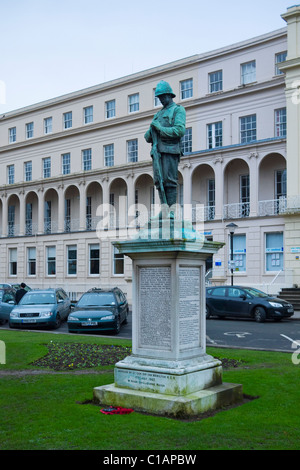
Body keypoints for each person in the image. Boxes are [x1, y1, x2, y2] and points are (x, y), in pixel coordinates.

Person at [144, 80, 186, 211]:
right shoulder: (158, 114)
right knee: (159, 182)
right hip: (157, 152)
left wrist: (160, 129)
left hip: (171, 150)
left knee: (170, 181)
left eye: (162, 96)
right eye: (159, 97)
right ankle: (164, 211)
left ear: (169, 95)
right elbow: (148, 137)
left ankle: (171, 211)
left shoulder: (178, 110)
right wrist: (151, 131)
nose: (161, 100)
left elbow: (179, 130)